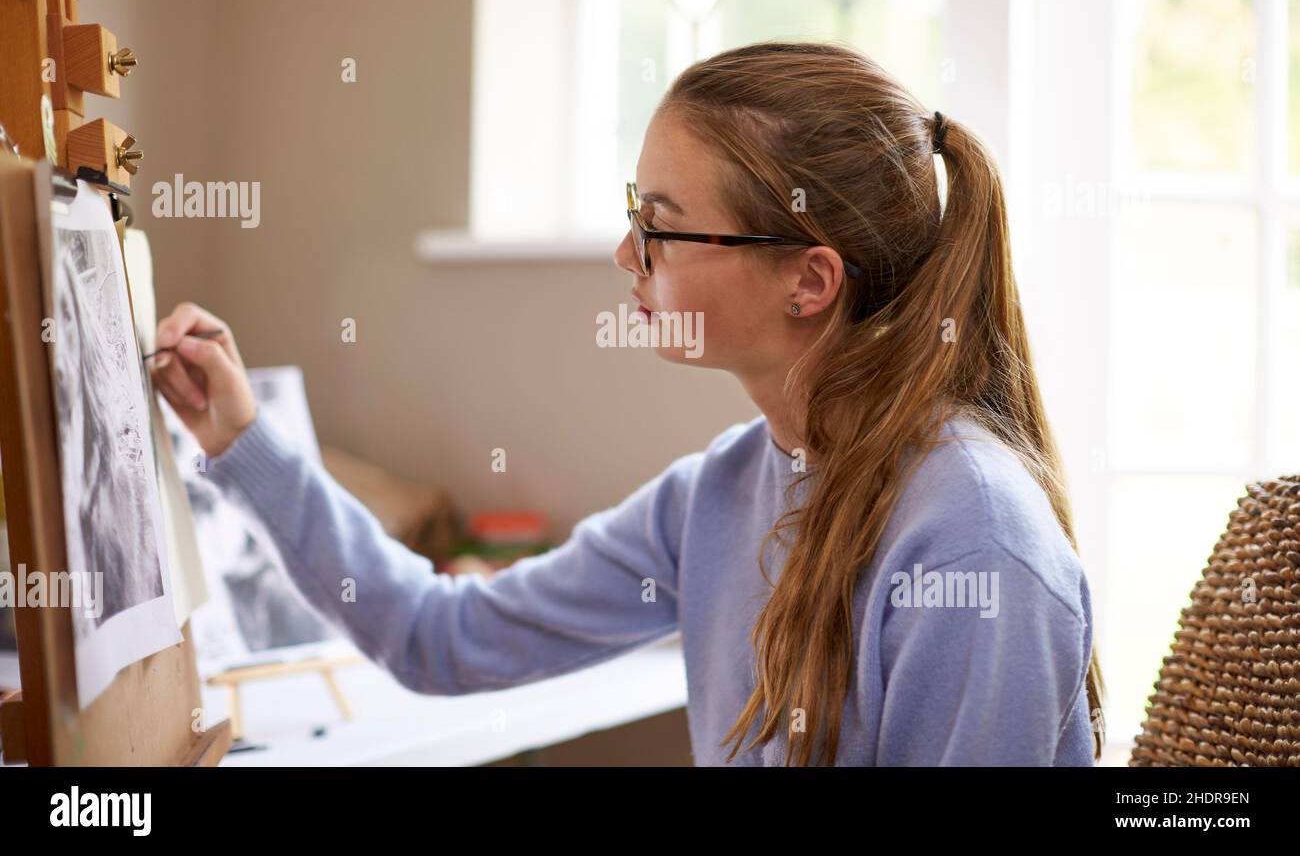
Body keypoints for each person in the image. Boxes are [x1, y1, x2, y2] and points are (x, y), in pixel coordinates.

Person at [151, 41, 1104, 766]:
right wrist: (241, 440)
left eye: (661, 227)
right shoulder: (719, 497)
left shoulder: (975, 542)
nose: (625, 258)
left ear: (809, 282)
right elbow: (439, 639)